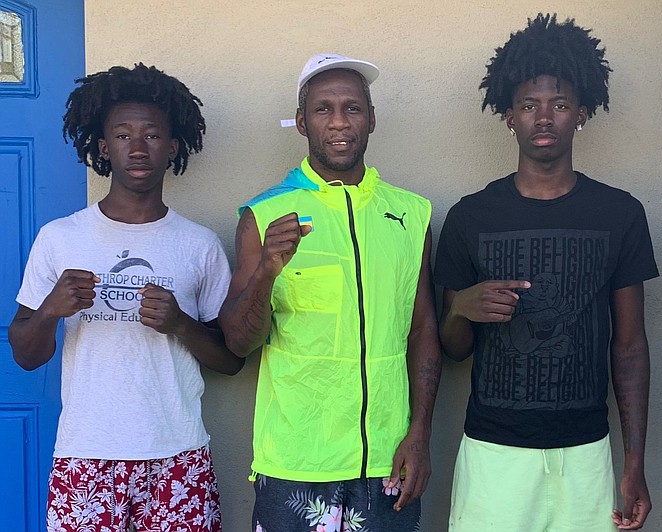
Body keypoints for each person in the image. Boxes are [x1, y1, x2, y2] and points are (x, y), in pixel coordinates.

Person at [435, 14, 658, 532]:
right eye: (529, 105)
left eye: (559, 104)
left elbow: (629, 347)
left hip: (585, 451)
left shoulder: (619, 214)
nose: (544, 118)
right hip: (493, 451)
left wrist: (633, 462)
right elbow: (453, 348)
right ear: (509, 115)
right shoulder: (470, 217)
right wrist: (460, 308)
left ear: (581, 113)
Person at [8, 63, 243, 531]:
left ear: (172, 146)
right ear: (102, 146)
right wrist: (50, 311)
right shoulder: (60, 239)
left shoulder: (198, 245)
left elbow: (232, 360)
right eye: (122, 135)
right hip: (86, 457)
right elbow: (25, 356)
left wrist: (183, 325)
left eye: (152, 135)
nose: (137, 148)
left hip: (177, 455)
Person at [219, 53, 442, 531]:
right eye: (323, 109)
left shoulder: (412, 215)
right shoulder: (263, 216)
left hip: (388, 460)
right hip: (295, 465)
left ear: (372, 118)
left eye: (352, 108)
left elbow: (423, 327)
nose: (339, 122)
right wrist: (266, 274)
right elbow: (238, 341)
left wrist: (420, 434)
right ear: (301, 122)